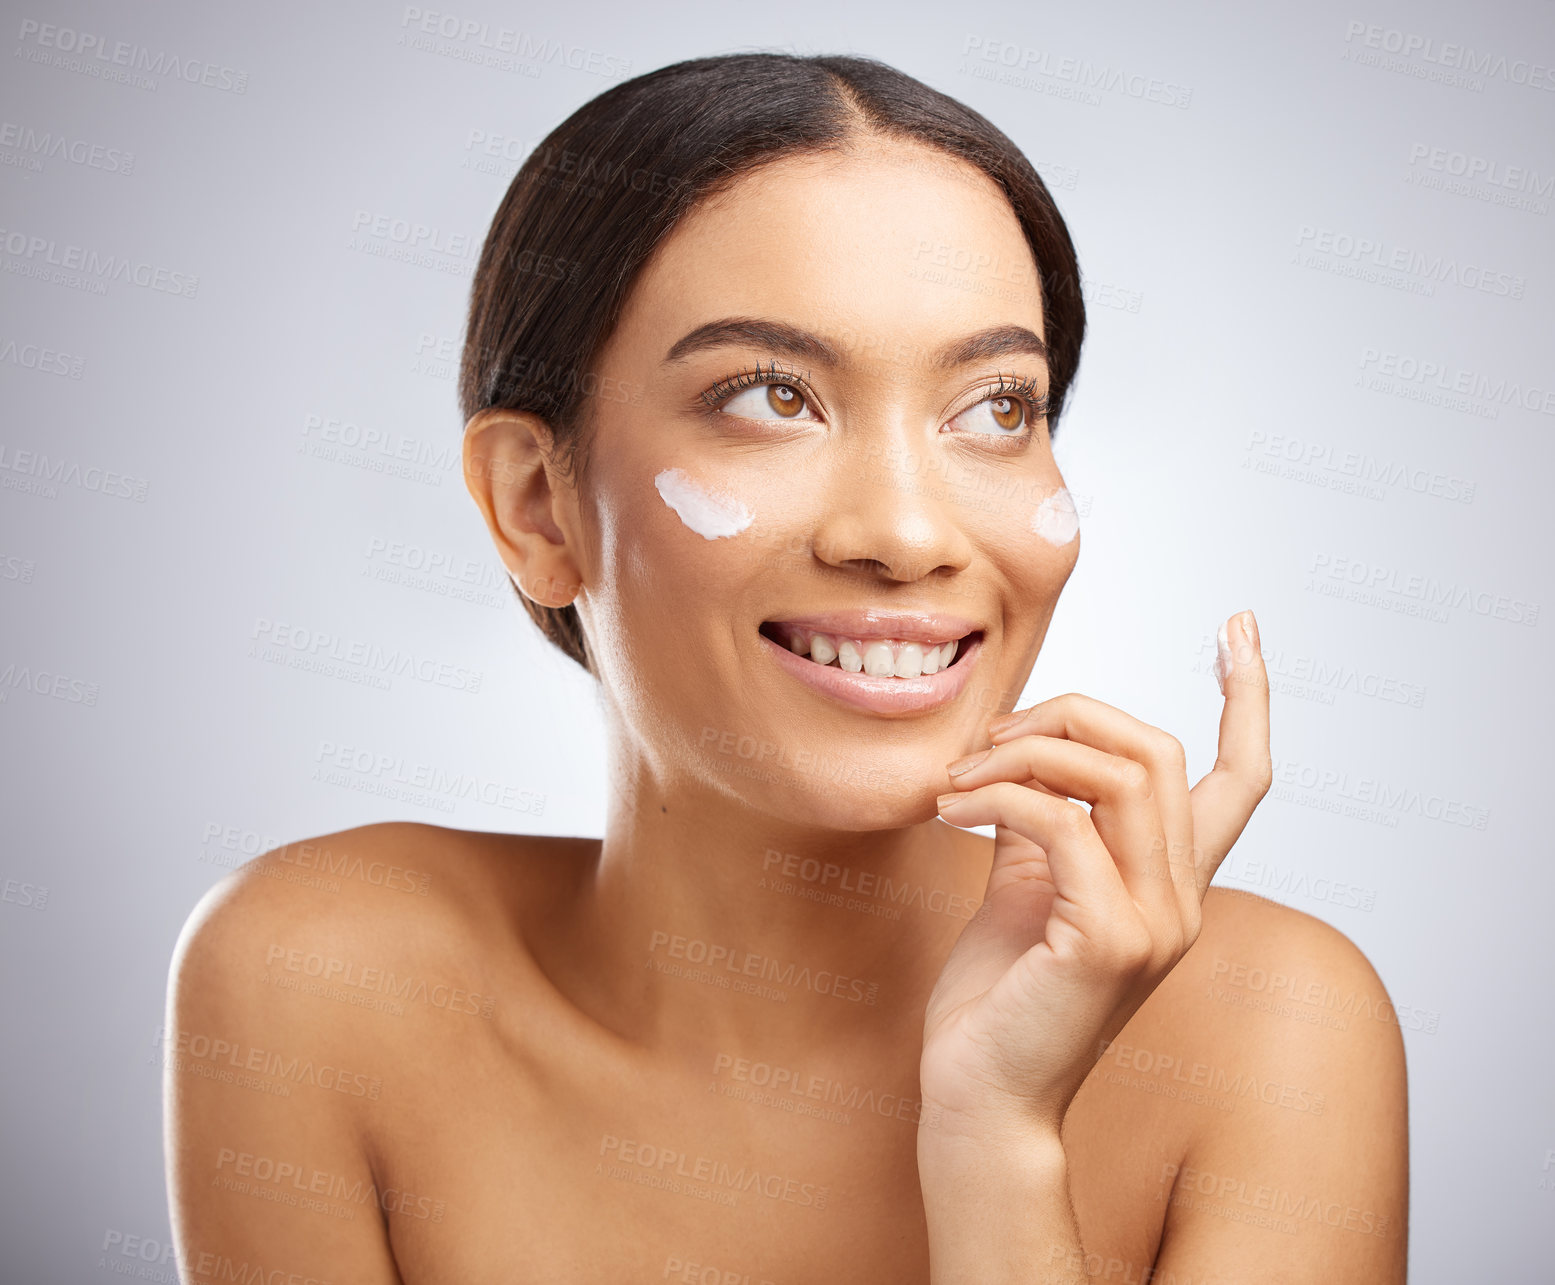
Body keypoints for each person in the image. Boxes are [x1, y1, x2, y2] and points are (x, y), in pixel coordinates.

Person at [164, 52, 1407, 1284]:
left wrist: (997, 1144)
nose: (908, 535)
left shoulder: (1271, 1031)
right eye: (770, 396)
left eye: (995, 408)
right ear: (537, 506)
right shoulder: (316, 979)